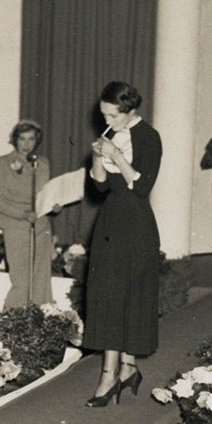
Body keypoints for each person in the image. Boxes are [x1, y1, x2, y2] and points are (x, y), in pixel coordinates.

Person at [82, 81, 162, 407]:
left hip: (137, 222)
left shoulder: (149, 138)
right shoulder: (111, 135)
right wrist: (99, 157)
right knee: (107, 294)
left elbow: (142, 187)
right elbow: (100, 186)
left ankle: (121, 369)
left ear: (129, 111)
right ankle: (114, 371)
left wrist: (117, 155)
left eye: (112, 116)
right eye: (104, 115)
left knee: (127, 294)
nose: (107, 122)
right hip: (111, 219)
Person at [0, 119, 56, 309]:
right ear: (15, 139)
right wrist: (22, 214)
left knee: (41, 280)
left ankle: (38, 325)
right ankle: (9, 325)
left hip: (41, 225)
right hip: (16, 225)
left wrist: (55, 204)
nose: (27, 144)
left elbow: (45, 194)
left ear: (37, 141)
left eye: (31, 139)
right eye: (22, 139)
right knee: (22, 281)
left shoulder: (42, 163)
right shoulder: (2, 163)